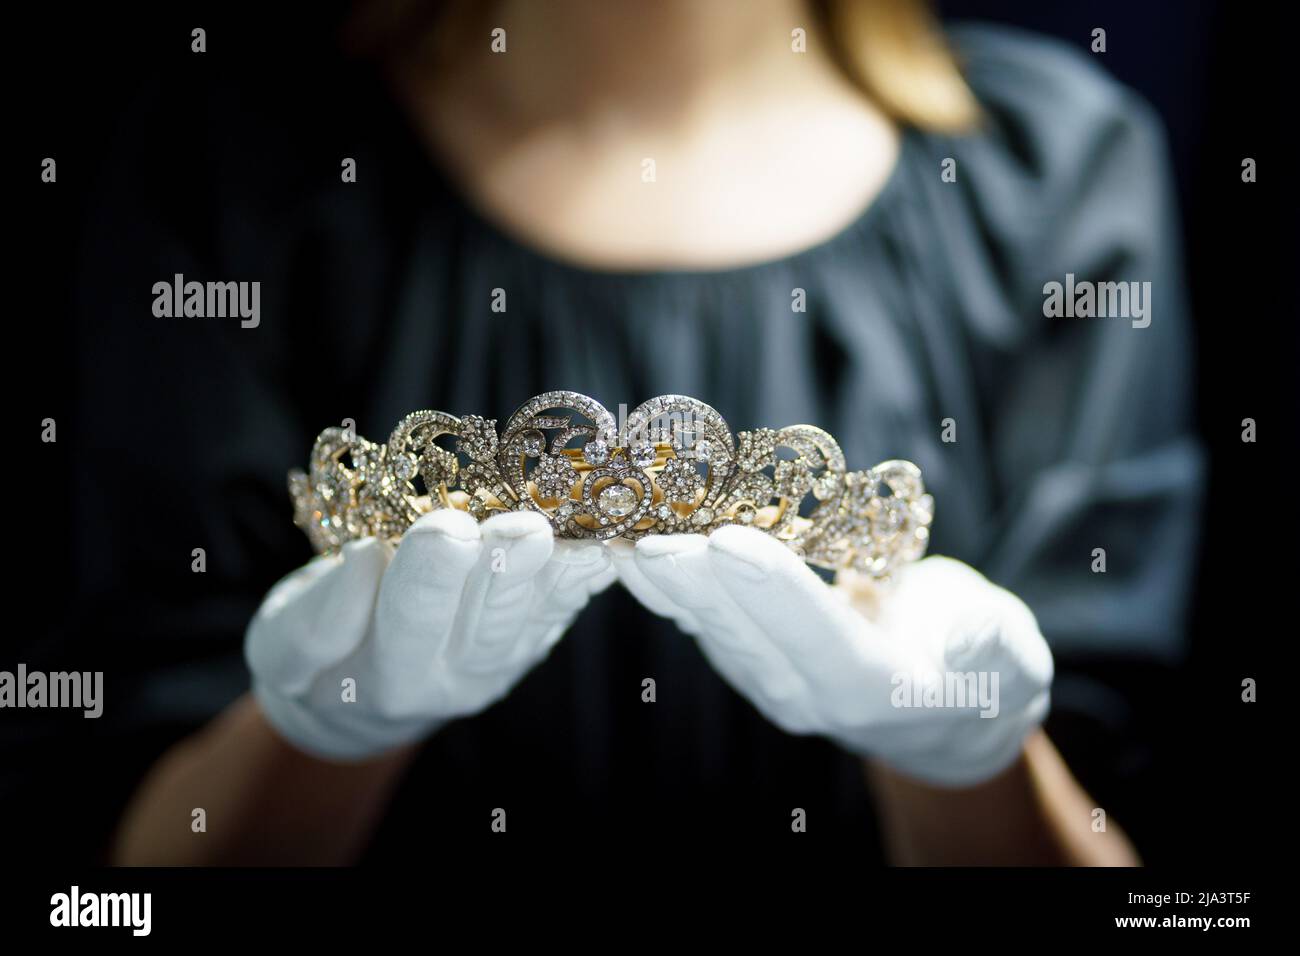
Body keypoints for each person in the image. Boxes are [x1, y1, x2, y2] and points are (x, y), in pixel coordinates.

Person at [48, 0, 1202, 865]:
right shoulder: (226, 170)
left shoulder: (1058, 175)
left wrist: (966, 759)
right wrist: (310, 733)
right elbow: (114, 887)